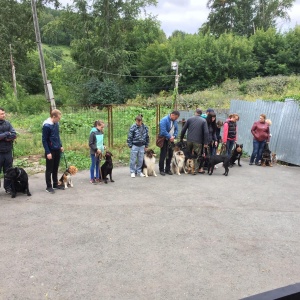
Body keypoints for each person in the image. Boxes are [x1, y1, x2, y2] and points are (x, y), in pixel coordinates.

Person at [180, 108, 208, 175]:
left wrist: (181, 138)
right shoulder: (203, 121)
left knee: (188, 154)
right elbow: (206, 132)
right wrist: (205, 142)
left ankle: (188, 169)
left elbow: (183, 129)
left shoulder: (189, 119)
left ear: (195, 112)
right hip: (198, 141)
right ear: (201, 114)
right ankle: (194, 170)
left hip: (189, 140)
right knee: (197, 156)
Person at [42, 109, 64, 193]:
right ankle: (48, 186)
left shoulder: (56, 124)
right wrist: (48, 152)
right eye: (58, 118)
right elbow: (44, 140)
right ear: (53, 117)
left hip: (57, 149)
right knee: (49, 169)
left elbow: (57, 136)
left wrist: (60, 145)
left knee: (55, 167)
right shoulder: (46, 126)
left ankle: (55, 183)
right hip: (50, 150)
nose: (59, 120)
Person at [0, 107, 17, 193]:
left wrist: (6, 138)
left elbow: (14, 134)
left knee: (8, 171)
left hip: (8, 152)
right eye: (1, 114)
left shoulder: (8, 123)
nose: (4, 115)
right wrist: (7, 134)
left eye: (4, 113)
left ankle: (8, 188)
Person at [159, 111, 180, 176]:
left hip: (171, 140)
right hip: (164, 139)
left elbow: (176, 129)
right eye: (176, 117)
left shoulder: (175, 121)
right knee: (163, 154)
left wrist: (174, 136)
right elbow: (163, 130)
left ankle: (167, 169)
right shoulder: (164, 120)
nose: (176, 119)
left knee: (170, 155)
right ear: (172, 115)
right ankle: (161, 169)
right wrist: (169, 136)